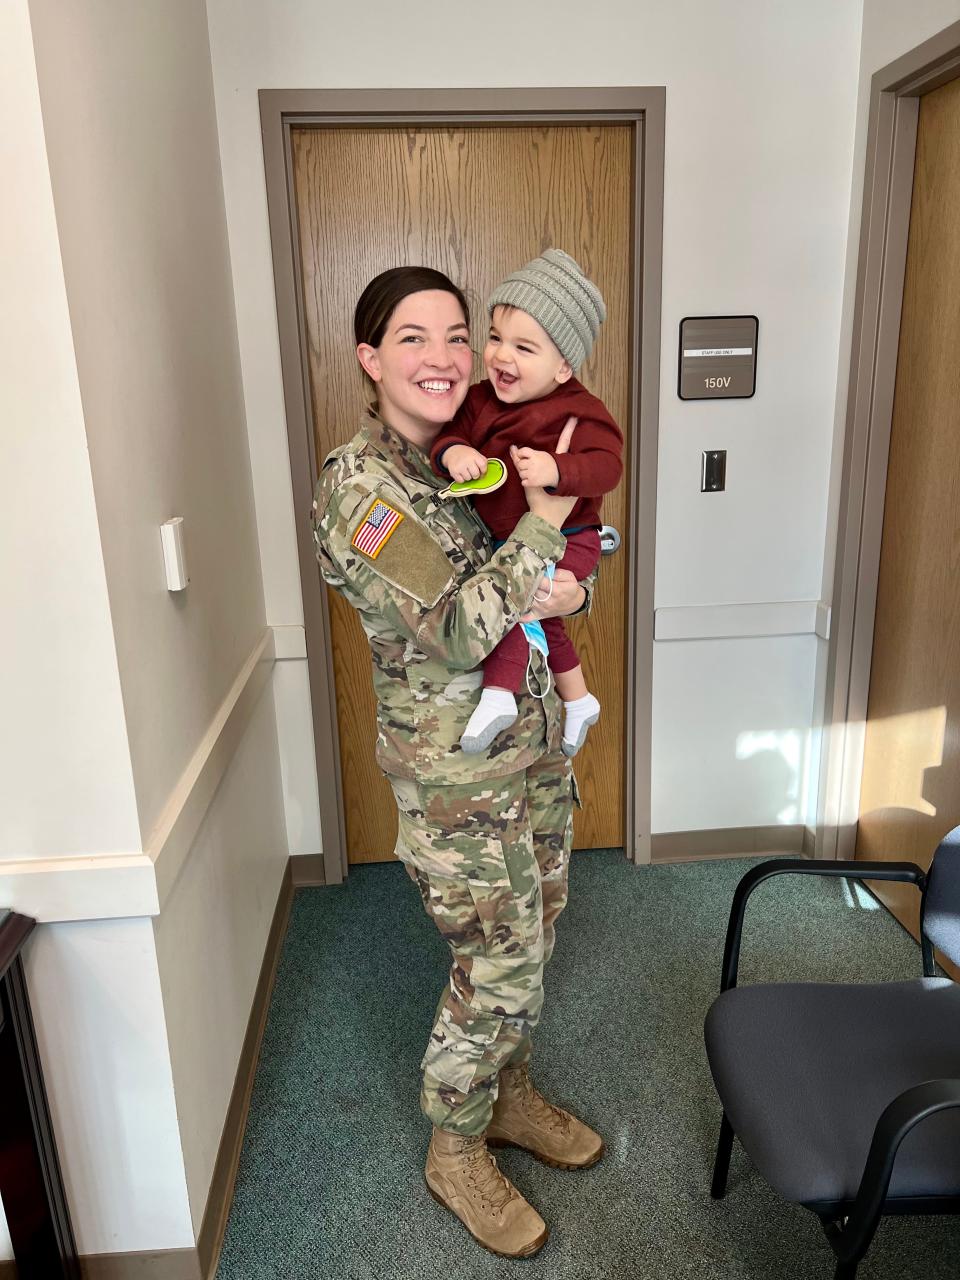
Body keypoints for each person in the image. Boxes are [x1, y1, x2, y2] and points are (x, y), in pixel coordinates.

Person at [310, 266, 604, 1260]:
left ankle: (507, 1093)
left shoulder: (477, 446)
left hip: (529, 746)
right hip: (456, 774)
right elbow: (459, 626)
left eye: (455, 334)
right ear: (370, 357)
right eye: (411, 337)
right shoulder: (364, 489)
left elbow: (546, 583)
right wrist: (551, 525)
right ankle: (454, 1141)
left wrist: (570, 588)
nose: (442, 356)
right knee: (496, 957)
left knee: (542, 923)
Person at [431, 249, 622, 757]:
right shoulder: (478, 402)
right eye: (494, 338)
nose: (501, 356)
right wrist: (455, 452)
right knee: (535, 607)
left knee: (523, 597)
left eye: (524, 347)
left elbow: (609, 465)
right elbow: (446, 435)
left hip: (569, 536)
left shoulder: (579, 410)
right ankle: (577, 699)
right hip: (508, 540)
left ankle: (499, 695)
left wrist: (561, 471)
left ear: (562, 366)